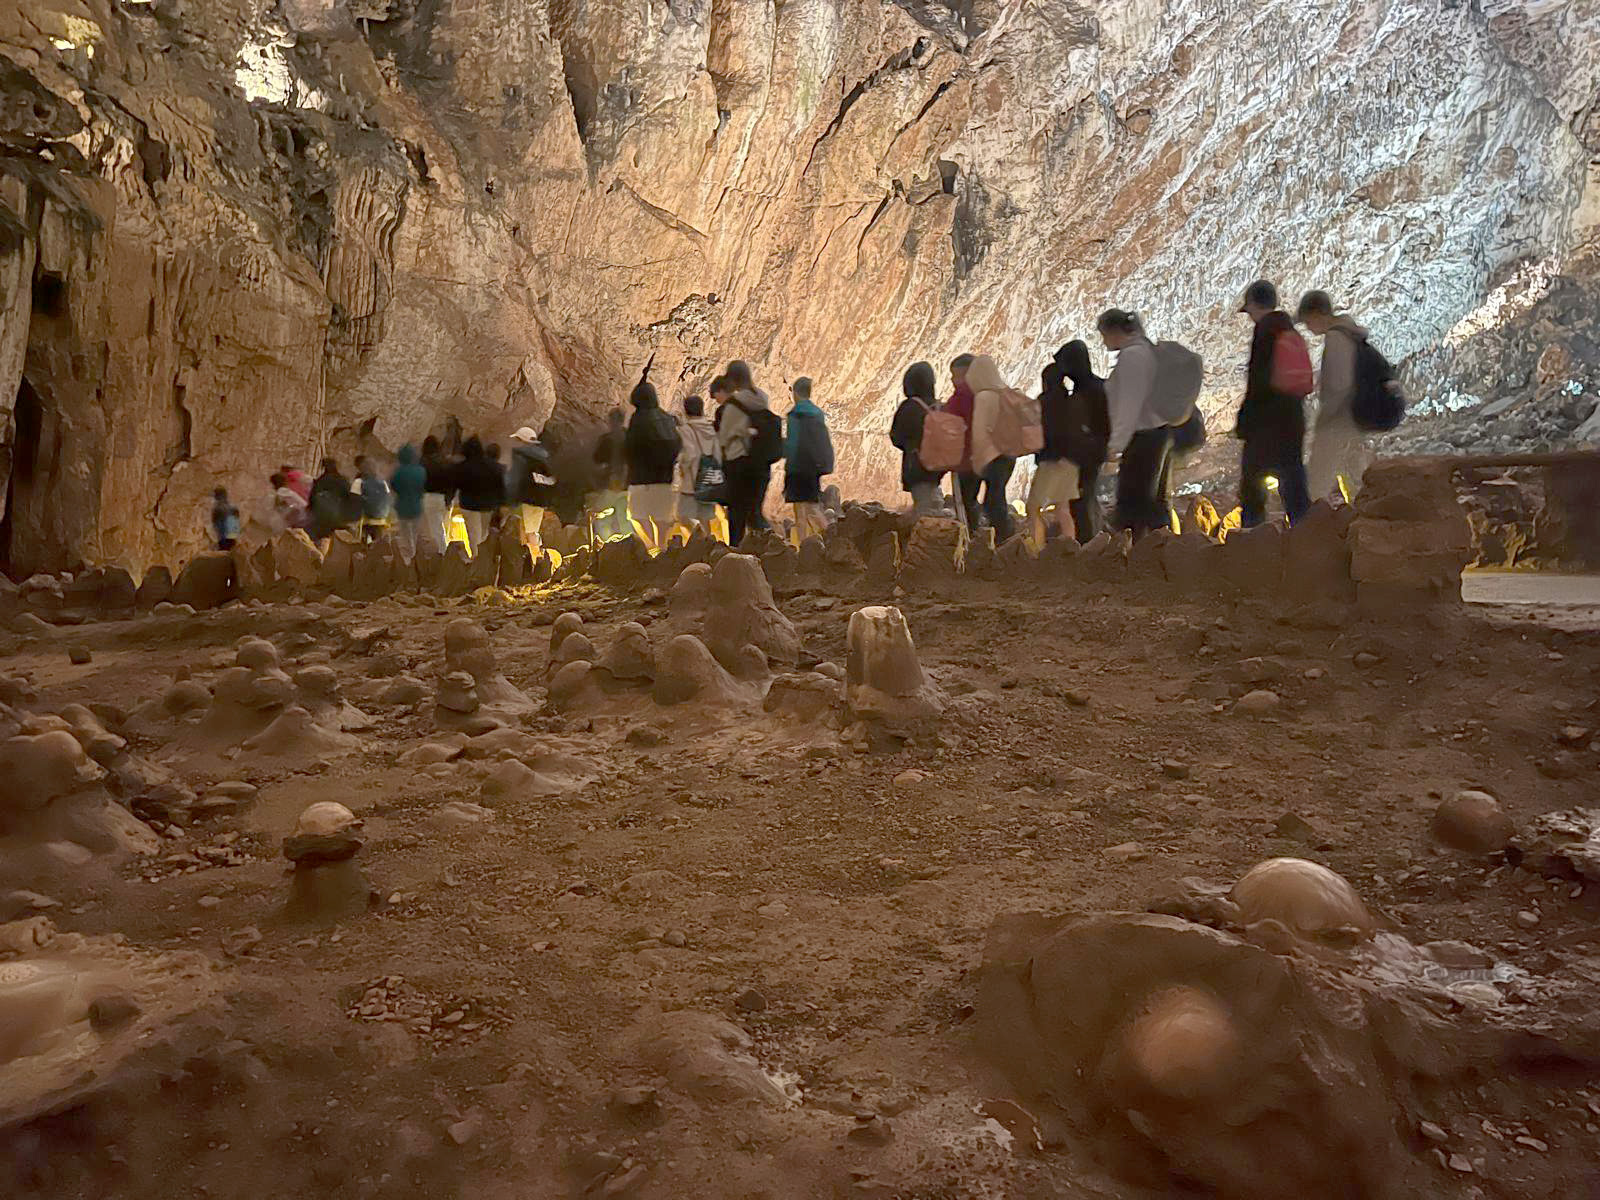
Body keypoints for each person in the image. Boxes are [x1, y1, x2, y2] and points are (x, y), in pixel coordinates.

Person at [1236, 279, 1312, 526]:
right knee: (1292, 478)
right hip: (1293, 416)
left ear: (1254, 306)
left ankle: (1252, 540)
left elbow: (1258, 380)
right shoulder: (1290, 330)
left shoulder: (1265, 330)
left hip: (1268, 421)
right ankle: (1308, 532)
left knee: (1252, 482)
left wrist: (1245, 422)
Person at [1098, 309, 1170, 538]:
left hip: (1144, 437)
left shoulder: (1133, 357)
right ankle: (1160, 550)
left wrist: (1115, 444)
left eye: (1104, 335)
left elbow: (1129, 405)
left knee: (1134, 500)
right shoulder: (1143, 351)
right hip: (1153, 435)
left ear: (1114, 332)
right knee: (1148, 499)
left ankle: (1140, 554)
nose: (1103, 341)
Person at [1297, 289, 1371, 503]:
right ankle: (1362, 519)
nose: (1308, 327)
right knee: (1356, 477)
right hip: (1355, 419)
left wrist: (1324, 419)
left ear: (1317, 314)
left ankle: (1308, 528)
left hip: (1339, 420)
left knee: (1317, 481)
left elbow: (1339, 384)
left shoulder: (1337, 338)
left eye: (1308, 321)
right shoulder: (1350, 334)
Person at [717, 360, 776, 547]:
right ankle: (774, 546)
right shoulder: (762, 398)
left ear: (733, 381)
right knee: (755, 512)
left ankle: (734, 558)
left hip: (739, 467)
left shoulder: (734, 405)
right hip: (761, 465)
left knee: (736, 515)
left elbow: (724, 439)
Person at [1057, 340, 1109, 541]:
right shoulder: (1096, 386)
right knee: (1085, 498)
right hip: (1092, 451)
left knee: (1082, 499)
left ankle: (1088, 544)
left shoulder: (1086, 391)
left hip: (1086, 453)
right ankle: (1093, 541)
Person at [963, 355, 1018, 543]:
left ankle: (1001, 541)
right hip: (1009, 455)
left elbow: (979, 433)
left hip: (993, 456)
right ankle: (1006, 540)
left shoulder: (984, 397)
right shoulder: (1007, 393)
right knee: (996, 498)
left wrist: (978, 460)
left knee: (991, 503)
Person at [624, 378, 682, 552]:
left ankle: (651, 547)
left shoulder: (639, 419)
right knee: (661, 518)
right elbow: (678, 444)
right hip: (664, 478)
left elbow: (630, 447)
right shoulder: (667, 418)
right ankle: (662, 549)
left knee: (636, 516)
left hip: (641, 479)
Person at [1026, 363, 1079, 547]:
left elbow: (1032, 430)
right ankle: (1070, 550)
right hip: (1071, 461)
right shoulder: (1071, 401)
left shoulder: (1043, 401)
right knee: (1062, 508)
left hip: (1051, 460)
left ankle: (1037, 551)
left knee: (1033, 507)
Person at [890, 361, 946, 516]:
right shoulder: (939, 406)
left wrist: (911, 444)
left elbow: (896, 437)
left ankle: (932, 534)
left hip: (917, 464)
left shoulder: (909, 407)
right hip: (938, 465)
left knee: (924, 507)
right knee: (931, 493)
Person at [782, 377, 834, 543]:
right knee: (812, 503)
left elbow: (793, 443)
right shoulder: (817, 413)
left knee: (802, 508)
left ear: (795, 393)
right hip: (814, 466)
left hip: (798, 466)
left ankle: (811, 541)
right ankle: (825, 537)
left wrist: (788, 466)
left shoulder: (795, 415)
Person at [507, 426, 556, 553]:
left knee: (529, 531)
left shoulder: (524, 456)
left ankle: (535, 558)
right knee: (531, 530)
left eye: (518, 439)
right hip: (538, 500)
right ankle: (535, 557)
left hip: (529, 499)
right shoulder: (543, 455)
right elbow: (552, 479)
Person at [945, 353, 980, 528]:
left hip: (965, 459)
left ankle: (970, 537)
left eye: (955, 376)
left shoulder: (958, 401)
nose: (952, 380)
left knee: (965, 501)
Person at [675, 395, 719, 529]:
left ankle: (698, 539)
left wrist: (682, 467)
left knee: (682, 516)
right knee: (705, 518)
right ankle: (708, 544)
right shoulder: (711, 428)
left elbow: (689, 454)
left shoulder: (686, 430)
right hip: (709, 480)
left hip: (692, 482)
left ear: (686, 411)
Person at [454, 436, 504, 553]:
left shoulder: (467, 465)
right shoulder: (498, 468)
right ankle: (482, 559)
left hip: (469, 504)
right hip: (487, 505)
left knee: (473, 534)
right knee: (483, 533)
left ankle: (476, 558)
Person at [590, 409, 630, 541]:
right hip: (628, 485)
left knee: (602, 518)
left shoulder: (606, 439)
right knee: (625, 519)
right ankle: (629, 547)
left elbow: (597, 459)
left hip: (610, 484)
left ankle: (605, 547)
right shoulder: (630, 436)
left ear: (611, 421)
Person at [388, 445, 427, 559]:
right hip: (416, 504)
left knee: (405, 532)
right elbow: (423, 487)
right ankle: (415, 552)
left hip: (402, 505)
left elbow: (394, 486)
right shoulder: (421, 471)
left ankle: (408, 555)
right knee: (415, 531)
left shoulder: (398, 472)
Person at [420, 436, 456, 553]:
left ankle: (442, 553)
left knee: (434, 530)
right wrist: (449, 500)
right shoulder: (446, 462)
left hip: (428, 497)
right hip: (444, 498)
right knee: (442, 528)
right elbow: (452, 483)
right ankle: (444, 552)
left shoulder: (422, 462)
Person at [308, 457, 353, 541]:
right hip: (340, 518)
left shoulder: (321, 481)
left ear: (324, 467)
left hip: (322, 519)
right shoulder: (343, 480)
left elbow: (312, 500)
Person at [354, 455, 394, 542]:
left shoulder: (359, 481)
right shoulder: (382, 482)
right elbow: (388, 498)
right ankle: (373, 539)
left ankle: (366, 540)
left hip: (368, 518)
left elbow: (353, 499)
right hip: (383, 515)